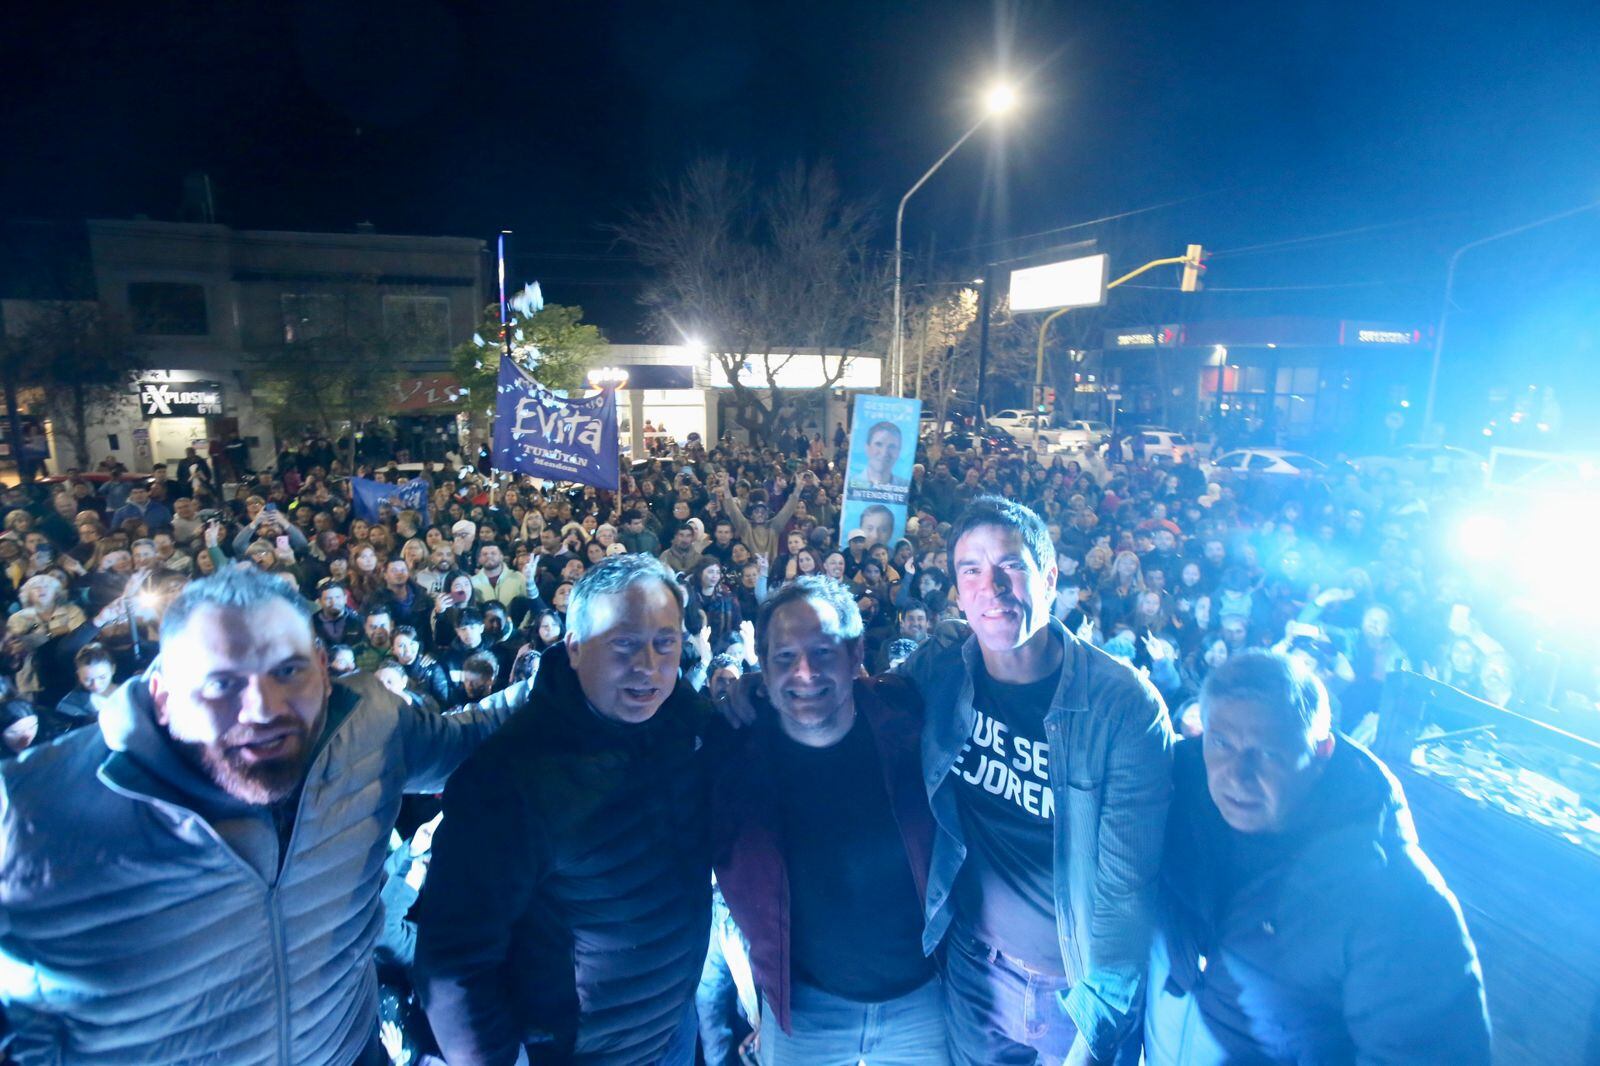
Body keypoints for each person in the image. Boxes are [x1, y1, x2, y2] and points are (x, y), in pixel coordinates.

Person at [0, 565, 520, 1064]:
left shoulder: (369, 727)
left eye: (287, 671)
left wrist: (585, 654)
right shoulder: (27, 812)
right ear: (162, 695)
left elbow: (476, 736)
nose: (262, 708)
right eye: (221, 682)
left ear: (321, 670)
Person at [895, 495, 1174, 1065]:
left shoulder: (1123, 706)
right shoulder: (943, 670)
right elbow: (857, 704)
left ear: (1049, 577)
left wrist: (1096, 1031)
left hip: (1073, 992)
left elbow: (1125, 896)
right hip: (974, 968)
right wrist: (746, 692)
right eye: (971, 570)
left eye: (1011, 567)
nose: (991, 587)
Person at [415, 554, 713, 1066]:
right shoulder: (509, 776)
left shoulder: (679, 717)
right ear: (573, 647)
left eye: (666, 643)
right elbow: (455, 958)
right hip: (578, 1051)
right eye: (623, 644)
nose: (649, 664)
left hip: (670, 1031)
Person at [1142, 650, 1491, 1065]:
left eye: (1268, 752)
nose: (1237, 774)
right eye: (1222, 743)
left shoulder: (1396, 899)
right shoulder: (1169, 805)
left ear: (1322, 750)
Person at [712, 577, 943, 1065]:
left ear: (856, 652)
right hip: (804, 1008)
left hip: (925, 1000)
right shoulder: (735, 749)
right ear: (764, 664)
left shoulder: (906, 719)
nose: (804, 673)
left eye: (822, 652)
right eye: (784, 658)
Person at [850, 422, 910, 491]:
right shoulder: (851, 486)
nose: (884, 452)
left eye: (892, 446)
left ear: (899, 451)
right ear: (867, 448)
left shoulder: (905, 487)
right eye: (878, 444)